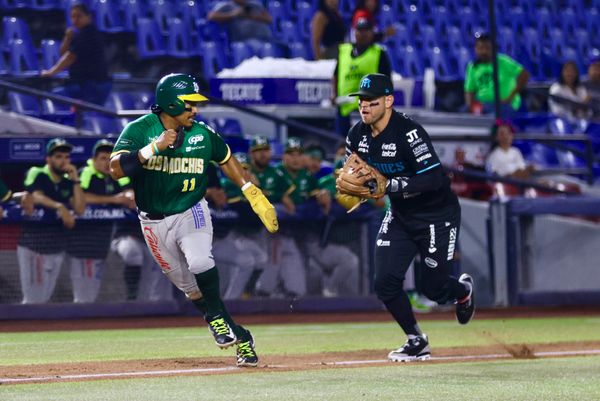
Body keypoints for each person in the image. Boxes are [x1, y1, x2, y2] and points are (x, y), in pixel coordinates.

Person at [109, 73, 278, 367]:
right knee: (192, 290)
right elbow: (114, 169)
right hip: (152, 221)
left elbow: (226, 158)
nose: (195, 110)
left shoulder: (201, 133)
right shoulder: (140, 129)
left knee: (200, 262)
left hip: (191, 210)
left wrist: (251, 190)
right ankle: (241, 336)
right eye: (189, 104)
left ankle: (215, 319)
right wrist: (154, 148)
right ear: (171, 102)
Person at [342, 73, 475, 361]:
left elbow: (435, 179)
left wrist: (389, 186)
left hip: (436, 215)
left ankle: (462, 290)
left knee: (434, 289)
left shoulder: (409, 133)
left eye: (371, 101)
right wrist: (352, 189)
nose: (364, 106)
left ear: (389, 101)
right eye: (361, 101)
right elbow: (351, 174)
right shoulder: (356, 135)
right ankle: (416, 339)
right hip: (401, 214)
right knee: (385, 282)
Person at [66, 139, 137, 303]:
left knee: (91, 293)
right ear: (94, 159)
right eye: (103, 158)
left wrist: (129, 196)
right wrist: (115, 199)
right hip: (80, 243)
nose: (107, 162)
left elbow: (129, 191)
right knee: (83, 295)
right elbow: (80, 198)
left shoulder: (116, 173)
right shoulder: (86, 172)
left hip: (101, 242)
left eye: (110, 158)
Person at [18, 138, 86, 304]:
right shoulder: (37, 172)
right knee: (33, 300)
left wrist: (76, 180)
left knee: (44, 298)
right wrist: (60, 207)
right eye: (58, 156)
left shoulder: (67, 182)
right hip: (35, 246)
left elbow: (80, 209)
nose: (63, 160)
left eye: (66, 156)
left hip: (57, 246)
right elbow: (35, 195)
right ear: (48, 159)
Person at [40, 3, 112, 106]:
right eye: (73, 17)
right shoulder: (78, 34)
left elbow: (70, 57)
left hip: (94, 84)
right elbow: (63, 53)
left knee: (87, 113)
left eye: (79, 16)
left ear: (89, 17)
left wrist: (50, 73)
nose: (75, 20)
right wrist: (67, 38)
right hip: (85, 83)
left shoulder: (88, 33)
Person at [332, 17, 392, 136]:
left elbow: (386, 81)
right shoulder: (344, 51)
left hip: (368, 110)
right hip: (344, 108)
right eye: (360, 30)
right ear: (354, 32)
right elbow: (335, 75)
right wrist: (334, 95)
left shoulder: (378, 53)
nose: (363, 34)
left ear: (372, 32)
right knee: (342, 145)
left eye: (366, 30)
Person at [464, 32, 529, 117]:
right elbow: (469, 90)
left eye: (487, 48)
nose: (484, 51)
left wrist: (511, 96)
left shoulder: (503, 61)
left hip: (504, 105)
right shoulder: (472, 66)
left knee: (492, 118)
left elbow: (524, 75)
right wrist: (470, 107)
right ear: (475, 49)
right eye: (480, 48)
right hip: (483, 105)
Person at [207, 0, 273, 53]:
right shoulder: (226, 5)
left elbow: (269, 19)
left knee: (279, 47)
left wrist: (253, 16)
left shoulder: (255, 4)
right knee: (265, 48)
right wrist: (233, 14)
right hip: (244, 40)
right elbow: (211, 16)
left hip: (266, 38)